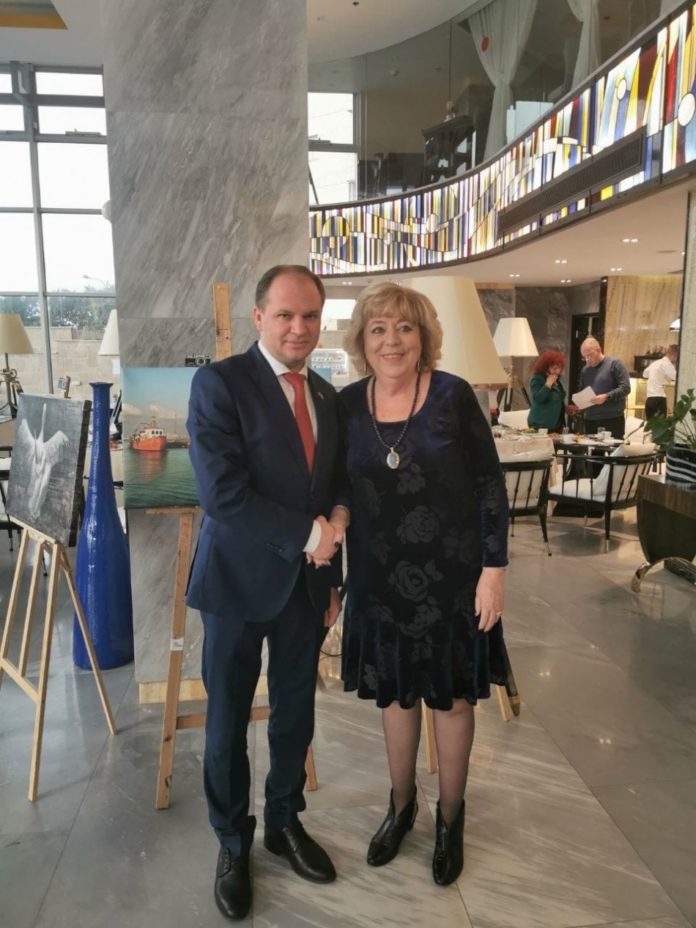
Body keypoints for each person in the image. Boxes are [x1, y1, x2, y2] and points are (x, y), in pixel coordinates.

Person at [329, 280, 509, 887]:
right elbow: (338, 489)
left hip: (455, 580)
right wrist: (336, 560)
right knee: (395, 695)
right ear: (362, 339)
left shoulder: (454, 395)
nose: (392, 340)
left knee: (452, 700)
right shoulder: (346, 405)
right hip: (379, 578)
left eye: (405, 327)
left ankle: (451, 818)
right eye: (378, 328)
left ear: (423, 336)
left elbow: (489, 486)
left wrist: (494, 570)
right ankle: (401, 806)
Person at [186, 265, 343, 921]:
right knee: (226, 722)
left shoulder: (327, 395)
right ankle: (233, 843)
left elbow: (333, 486)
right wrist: (310, 535)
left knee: (294, 714)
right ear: (259, 318)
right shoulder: (220, 384)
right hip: (235, 585)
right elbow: (222, 494)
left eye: (310, 316)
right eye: (285, 315)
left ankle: (283, 822)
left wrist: (332, 567)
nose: (299, 328)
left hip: (305, 588)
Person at [579, 337, 631, 438]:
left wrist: (606, 397)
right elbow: (582, 391)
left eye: (589, 355)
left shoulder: (615, 364)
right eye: (584, 357)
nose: (587, 360)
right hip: (590, 420)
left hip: (612, 419)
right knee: (592, 448)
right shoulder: (585, 370)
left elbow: (626, 388)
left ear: (598, 350)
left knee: (614, 448)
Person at [527, 349, 574, 431]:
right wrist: (548, 385)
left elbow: (555, 401)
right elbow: (538, 398)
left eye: (559, 368)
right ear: (545, 368)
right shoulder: (537, 380)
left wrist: (566, 408)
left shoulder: (557, 382)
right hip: (541, 424)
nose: (557, 371)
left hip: (557, 425)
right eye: (554, 368)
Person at [643, 345, 678, 418]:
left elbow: (645, 374)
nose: (677, 360)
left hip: (649, 399)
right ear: (674, 355)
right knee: (660, 425)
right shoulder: (667, 364)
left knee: (651, 424)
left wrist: (660, 376)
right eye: (677, 357)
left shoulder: (656, 363)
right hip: (659, 399)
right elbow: (677, 377)